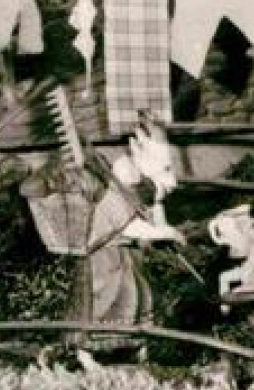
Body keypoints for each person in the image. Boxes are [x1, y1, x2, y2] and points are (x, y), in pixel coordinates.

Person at [72, 121, 183, 350]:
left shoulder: (140, 184)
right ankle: (91, 348)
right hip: (106, 253)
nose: (171, 180)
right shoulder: (119, 185)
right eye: (164, 169)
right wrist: (164, 232)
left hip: (126, 254)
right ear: (137, 150)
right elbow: (127, 225)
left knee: (137, 294)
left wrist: (161, 224)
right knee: (109, 298)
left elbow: (151, 210)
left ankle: (134, 343)